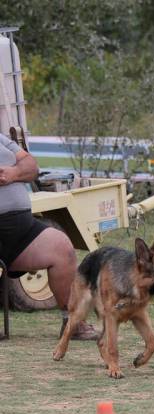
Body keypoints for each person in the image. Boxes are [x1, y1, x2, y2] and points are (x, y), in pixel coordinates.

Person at [0, 132, 99, 339]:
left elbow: (31, 166)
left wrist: (13, 173)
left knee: (61, 248)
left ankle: (73, 323)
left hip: (21, 228)